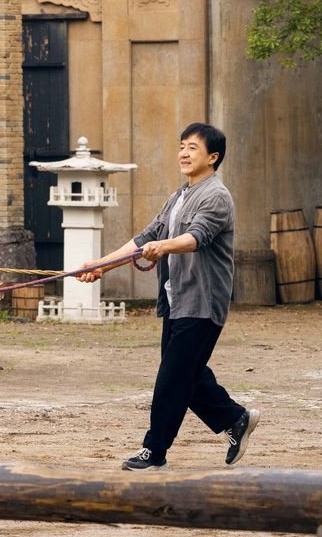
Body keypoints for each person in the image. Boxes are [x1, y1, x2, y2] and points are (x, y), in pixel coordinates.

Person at [77, 122, 258, 470]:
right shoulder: (178, 196)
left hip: (203, 303)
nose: (184, 153)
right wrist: (101, 265)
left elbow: (195, 238)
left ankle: (154, 451)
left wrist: (162, 246)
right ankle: (235, 419)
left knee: (172, 379)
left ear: (213, 156)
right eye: (181, 146)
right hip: (177, 301)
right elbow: (146, 236)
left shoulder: (217, 196)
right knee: (186, 375)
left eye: (193, 147)